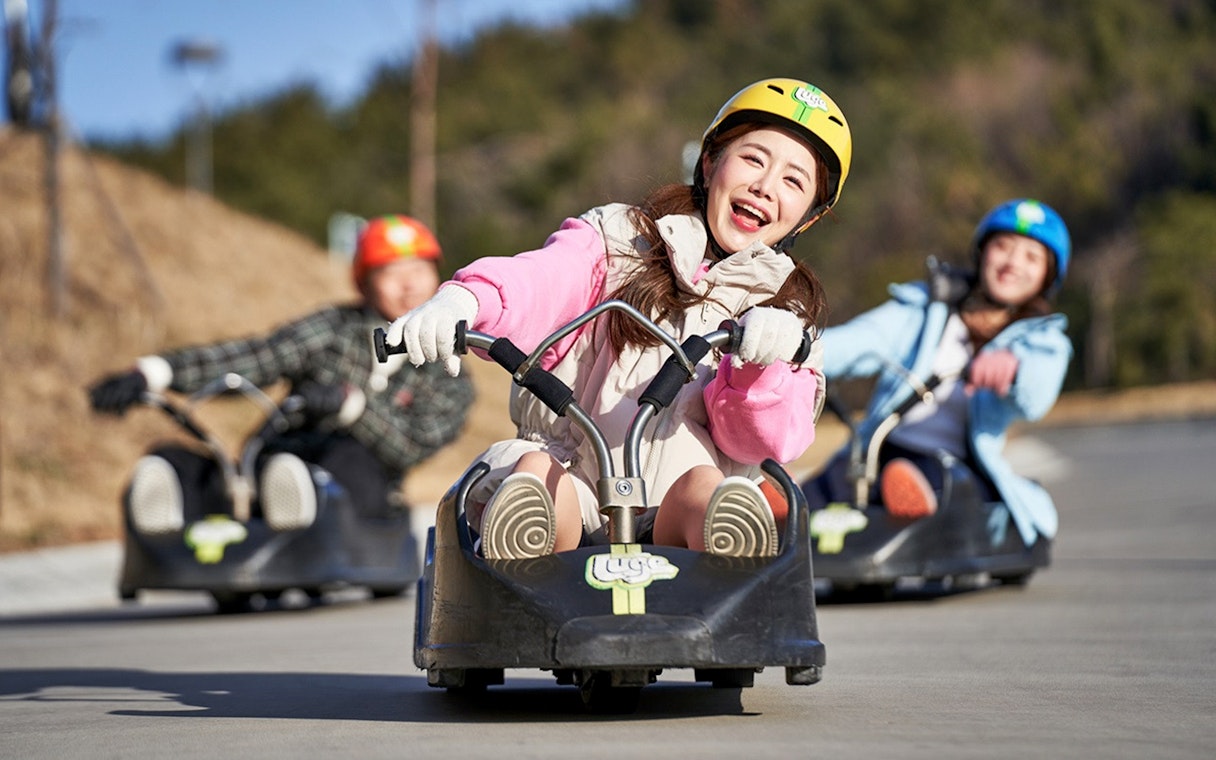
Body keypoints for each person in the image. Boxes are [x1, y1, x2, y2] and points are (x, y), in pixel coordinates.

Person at [383, 77, 852, 559]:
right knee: (535, 479)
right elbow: (541, 280)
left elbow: (761, 442)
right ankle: (531, 554)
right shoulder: (619, 237)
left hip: (678, 512)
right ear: (710, 163)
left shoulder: (788, 317)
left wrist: (759, 368)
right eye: (753, 158)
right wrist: (465, 302)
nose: (764, 185)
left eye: (793, 180)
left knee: (711, 492)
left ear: (808, 217)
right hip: (571, 473)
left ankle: (725, 547)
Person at [88, 214, 475, 534]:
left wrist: (354, 406)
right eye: (391, 272)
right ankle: (174, 504)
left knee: (345, 462)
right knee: (189, 463)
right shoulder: (333, 329)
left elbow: (412, 445)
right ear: (364, 282)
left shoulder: (448, 371)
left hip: (361, 481)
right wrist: (156, 372)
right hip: (285, 451)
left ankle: (300, 500)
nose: (408, 283)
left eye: (418, 270)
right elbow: (257, 359)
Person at [800, 198, 1072, 548]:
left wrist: (1014, 370)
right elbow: (863, 340)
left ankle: (908, 506)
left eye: (1031, 257)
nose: (1012, 264)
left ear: (1048, 276)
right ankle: (783, 515)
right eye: (1003, 247)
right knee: (836, 480)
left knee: (939, 480)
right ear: (982, 253)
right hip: (883, 447)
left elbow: (1038, 393)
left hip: (955, 462)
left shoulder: (1039, 339)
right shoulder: (927, 307)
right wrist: (798, 347)